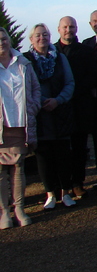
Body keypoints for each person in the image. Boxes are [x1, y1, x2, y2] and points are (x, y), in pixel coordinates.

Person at [25, 23, 76, 209]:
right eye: (37, 35)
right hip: (39, 115)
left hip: (60, 113)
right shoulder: (25, 60)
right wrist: (42, 101)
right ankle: (50, 194)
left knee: (63, 155)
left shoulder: (60, 58)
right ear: (31, 39)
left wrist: (58, 100)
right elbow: (26, 87)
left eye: (45, 35)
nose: (42, 38)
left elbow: (70, 83)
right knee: (44, 157)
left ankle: (65, 193)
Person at [0, 27, 40, 229]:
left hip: (19, 124)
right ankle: (4, 213)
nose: (1, 42)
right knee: (0, 171)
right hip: (1, 126)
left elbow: (35, 88)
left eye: (4, 38)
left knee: (18, 168)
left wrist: (32, 108)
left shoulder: (22, 63)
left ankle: (19, 209)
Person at [55, 16, 97, 199]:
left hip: (80, 105)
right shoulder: (52, 52)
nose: (68, 30)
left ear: (76, 29)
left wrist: (72, 91)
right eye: (65, 27)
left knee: (80, 148)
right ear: (59, 29)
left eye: (71, 27)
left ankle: (77, 183)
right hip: (59, 107)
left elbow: (92, 77)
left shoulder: (86, 52)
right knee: (61, 149)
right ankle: (61, 184)